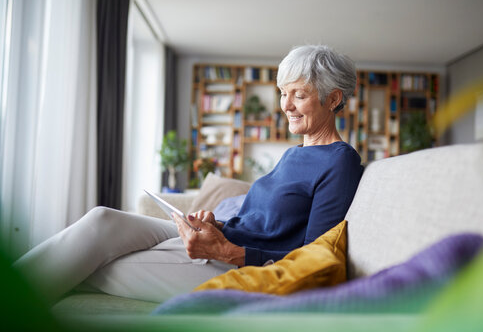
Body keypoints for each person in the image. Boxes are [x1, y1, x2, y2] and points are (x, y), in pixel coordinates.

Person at [15, 45, 364, 303]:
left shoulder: (340, 162)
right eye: (283, 94)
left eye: (298, 95)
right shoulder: (294, 154)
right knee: (103, 220)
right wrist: (218, 225)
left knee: (94, 265)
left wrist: (227, 250)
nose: (285, 106)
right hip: (225, 241)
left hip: (241, 268)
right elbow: (263, 221)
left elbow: (313, 262)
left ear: (333, 99)